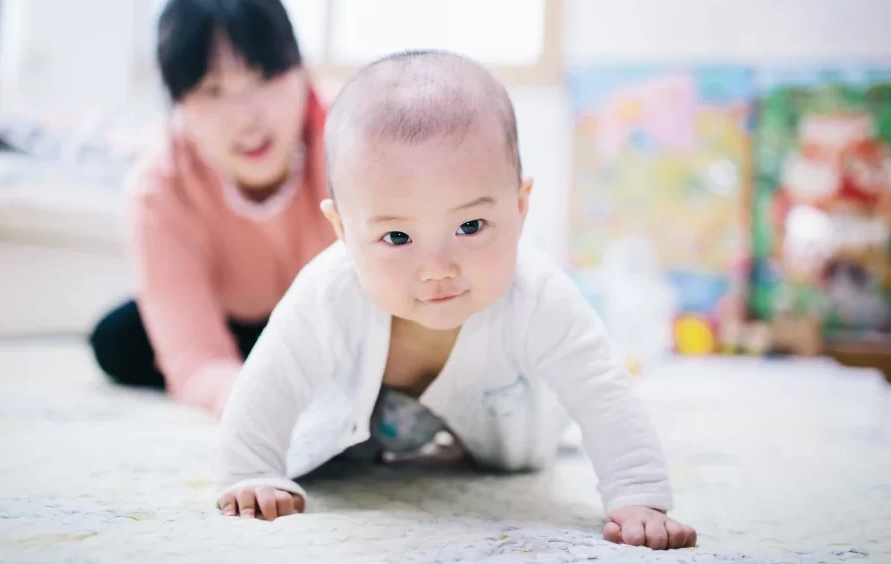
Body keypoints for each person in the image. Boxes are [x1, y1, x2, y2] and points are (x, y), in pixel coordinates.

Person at [214, 51, 698, 551]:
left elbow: (601, 389)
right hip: (365, 441)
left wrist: (637, 495)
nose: (438, 267)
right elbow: (272, 374)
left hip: (512, 429)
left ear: (519, 207)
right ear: (342, 231)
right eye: (397, 237)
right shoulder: (329, 292)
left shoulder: (538, 296)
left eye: (470, 226)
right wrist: (252, 470)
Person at [89, 0, 334, 416]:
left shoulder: (353, 136)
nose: (247, 118)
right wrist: (259, 406)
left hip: (335, 320)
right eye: (213, 91)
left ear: (303, 72)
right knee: (117, 339)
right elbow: (197, 359)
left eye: (265, 78)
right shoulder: (159, 184)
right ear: (178, 107)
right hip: (234, 320)